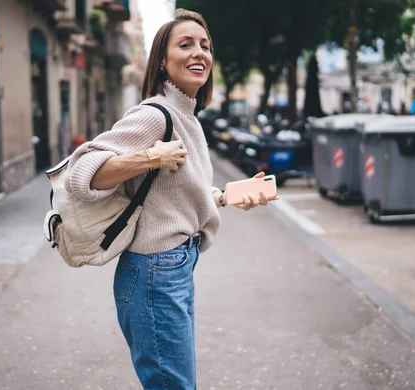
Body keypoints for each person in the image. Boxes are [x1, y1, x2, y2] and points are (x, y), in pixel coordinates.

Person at [64, 9, 277, 389]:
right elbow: (80, 174)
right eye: (186, 45)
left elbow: (168, 198)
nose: (200, 53)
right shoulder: (154, 114)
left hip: (174, 266)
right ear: (162, 61)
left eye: (205, 46)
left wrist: (226, 197)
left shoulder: (187, 116)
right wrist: (150, 156)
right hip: (154, 273)